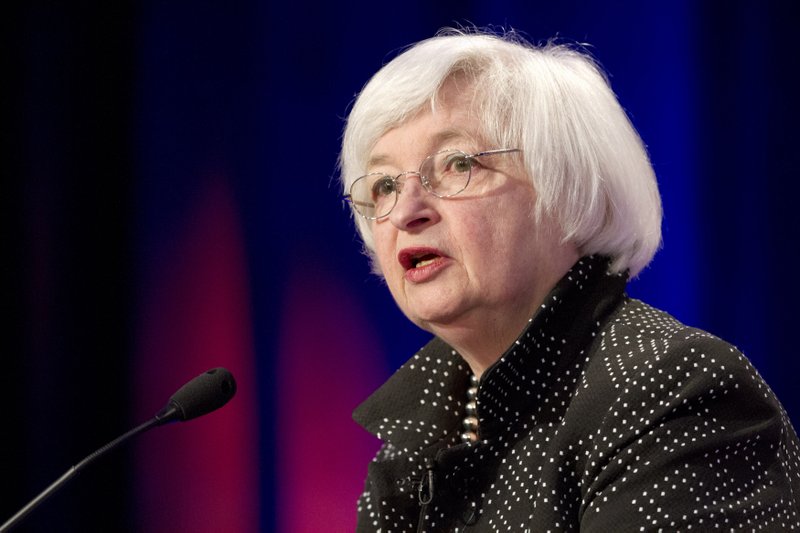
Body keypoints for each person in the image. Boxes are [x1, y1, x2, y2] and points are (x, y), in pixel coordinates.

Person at [339, 29, 800, 532]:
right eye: (384, 185)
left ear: (567, 191)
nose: (406, 211)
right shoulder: (418, 435)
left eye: (458, 164)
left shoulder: (672, 388)